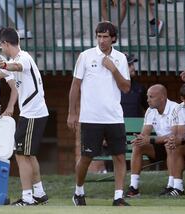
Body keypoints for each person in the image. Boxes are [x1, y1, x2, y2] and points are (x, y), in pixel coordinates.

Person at [67, 21, 131, 206]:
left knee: (119, 156)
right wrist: (72, 113)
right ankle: (78, 192)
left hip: (114, 117)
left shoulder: (120, 58)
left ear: (113, 39)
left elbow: (126, 87)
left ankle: (118, 197)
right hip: (90, 118)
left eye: (105, 37)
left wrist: (113, 69)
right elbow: (75, 86)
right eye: (99, 36)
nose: (102, 40)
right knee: (86, 157)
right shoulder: (85, 56)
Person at [0, 27, 49, 206]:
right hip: (32, 114)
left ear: (5, 43)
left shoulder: (23, 58)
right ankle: (39, 193)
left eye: (1, 45)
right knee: (29, 154)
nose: (1, 48)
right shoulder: (13, 60)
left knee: (20, 154)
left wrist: (4, 65)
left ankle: (27, 198)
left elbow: (16, 67)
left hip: (33, 114)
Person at [126, 84, 178, 197]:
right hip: (160, 146)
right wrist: (140, 138)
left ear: (162, 97)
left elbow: (174, 135)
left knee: (169, 143)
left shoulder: (175, 108)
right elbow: (145, 133)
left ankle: (172, 186)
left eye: (151, 97)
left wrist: (150, 139)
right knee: (138, 146)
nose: (148, 100)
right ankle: (134, 188)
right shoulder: (150, 110)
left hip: (178, 147)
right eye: (147, 97)